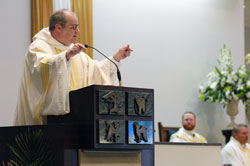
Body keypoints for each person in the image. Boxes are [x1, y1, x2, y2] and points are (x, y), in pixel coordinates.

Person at [14, 9, 133, 125]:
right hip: (47, 123)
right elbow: (41, 67)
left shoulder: (75, 52)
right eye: (74, 27)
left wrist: (116, 58)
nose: (78, 31)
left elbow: (96, 71)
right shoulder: (39, 47)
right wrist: (65, 56)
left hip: (75, 120)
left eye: (78, 26)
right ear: (58, 27)